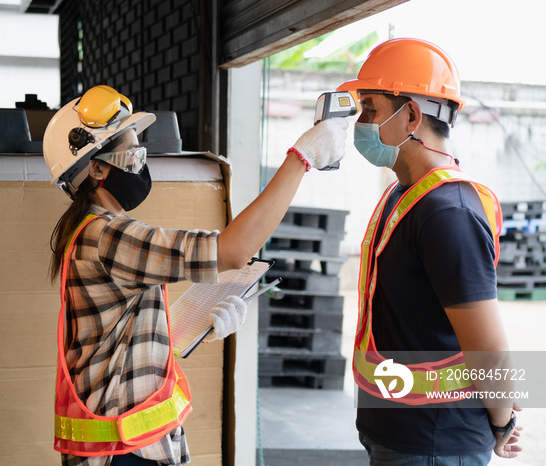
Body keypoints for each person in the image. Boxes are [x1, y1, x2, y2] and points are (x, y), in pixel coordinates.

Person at [42, 84, 348, 466]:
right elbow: (232, 250)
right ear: (97, 168)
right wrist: (300, 159)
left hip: (132, 446)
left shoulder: (97, 233)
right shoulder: (107, 236)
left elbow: (118, 333)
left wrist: (194, 326)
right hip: (123, 455)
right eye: (134, 152)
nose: (142, 161)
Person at [336, 38, 523, 464]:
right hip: (399, 431)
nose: (360, 123)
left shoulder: (448, 212)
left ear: (412, 116)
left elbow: (488, 348)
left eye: (370, 109)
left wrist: (501, 423)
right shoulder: (405, 196)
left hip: (435, 441)